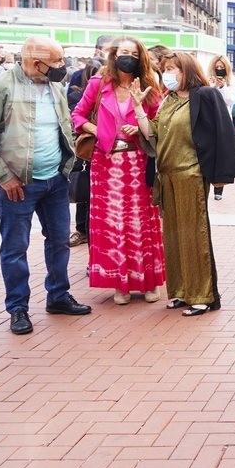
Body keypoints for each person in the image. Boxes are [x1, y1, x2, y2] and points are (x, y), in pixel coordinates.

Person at [0, 36, 93, 335]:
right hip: (17, 185)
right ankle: (18, 308)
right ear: (36, 63)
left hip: (55, 181)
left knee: (59, 241)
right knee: (15, 248)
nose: (63, 67)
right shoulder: (0, 87)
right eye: (57, 62)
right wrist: (3, 176)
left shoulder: (55, 86)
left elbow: (64, 126)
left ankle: (58, 296)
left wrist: (67, 165)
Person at [132, 51, 235, 316]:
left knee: (194, 235)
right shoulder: (169, 99)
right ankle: (180, 291)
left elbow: (222, 131)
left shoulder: (205, 95)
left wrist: (219, 176)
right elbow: (152, 133)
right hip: (167, 175)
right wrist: (137, 108)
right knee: (172, 235)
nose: (168, 74)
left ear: (188, 71)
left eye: (174, 69)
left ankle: (202, 295)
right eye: (166, 69)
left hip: (191, 173)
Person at [72, 37, 165, 305]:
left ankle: (149, 282)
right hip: (106, 164)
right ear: (114, 55)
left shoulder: (149, 86)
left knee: (141, 222)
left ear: (141, 58)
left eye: (135, 53)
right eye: (124, 52)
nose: (129, 57)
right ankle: (120, 284)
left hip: (138, 161)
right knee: (113, 223)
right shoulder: (98, 84)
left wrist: (141, 128)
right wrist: (99, 131)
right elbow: (78, 115)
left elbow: (159, 121)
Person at [67, 58, 103, 248]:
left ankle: (85, 232)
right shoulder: (78, 95)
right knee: (85, 194)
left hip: (107, 151)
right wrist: (96, 129)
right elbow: (77, 117)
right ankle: (82, 231)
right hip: (88, 149)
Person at [208, 55, 235, 200]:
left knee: (221, 155)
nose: (219, 70)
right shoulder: (207, 80)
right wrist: (212, 86)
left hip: (224, 121)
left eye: (222, 67)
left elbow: (230, 100)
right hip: (208, 121)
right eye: (217, 67)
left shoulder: (231, 83)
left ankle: (218, 189)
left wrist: (222, 87)